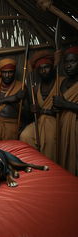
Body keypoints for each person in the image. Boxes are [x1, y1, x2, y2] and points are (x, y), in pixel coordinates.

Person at [20, 50, 64, 162]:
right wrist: (32, 109)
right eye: (40, 68)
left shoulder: (61, 83)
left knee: (49, 139)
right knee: (25, 135)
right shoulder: (36, 88)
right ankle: (35, 163)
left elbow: (64, 107)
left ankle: (50, 166)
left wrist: (47, 110)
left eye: (47, 67)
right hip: (39, 121)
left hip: (55, 121)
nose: (44, 71)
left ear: (53, 68)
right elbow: (31, 113)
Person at [53, 46, 78, 175]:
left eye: (73, 62)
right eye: (66, 62)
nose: (68, 66)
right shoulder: (62, 83)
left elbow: (65, 104)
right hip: (63, 126)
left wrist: (65, 104)